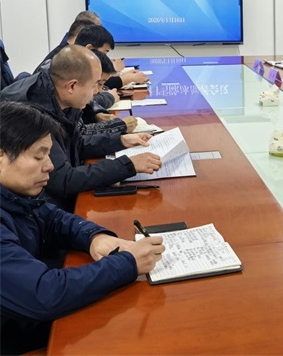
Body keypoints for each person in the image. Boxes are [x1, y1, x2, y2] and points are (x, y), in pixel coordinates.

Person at [0, 101, 164, 355]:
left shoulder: (15, 194)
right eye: (38, 156)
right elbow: (44, 294)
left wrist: (95, 237)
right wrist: (128, 264)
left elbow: (52, 218)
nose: (50, 166)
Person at [0, 45, 161, 211]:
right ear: (72, 86)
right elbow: (63, 180)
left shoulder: (60, 97)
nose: (97, 92)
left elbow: (75, 144)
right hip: (38, 210)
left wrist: (120, 141)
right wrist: (128, 165)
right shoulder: (34, 114)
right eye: (95, 85)